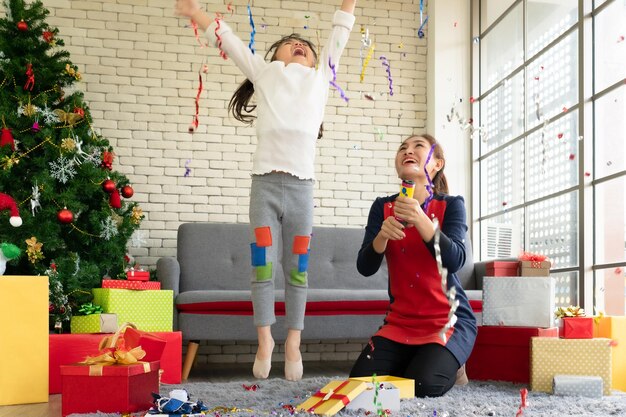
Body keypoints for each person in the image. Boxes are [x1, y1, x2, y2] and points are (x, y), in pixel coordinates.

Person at [174, 0, 357, 381]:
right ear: (275, 56)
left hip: (302, 190)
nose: (299, 45)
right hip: (265, 187)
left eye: (304, 44)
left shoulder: (321, 75)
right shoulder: (265, 71)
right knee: (262, 268)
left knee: (298, 271)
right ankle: (265, 341)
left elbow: (340, 32)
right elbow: (230, 41)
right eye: (290, 43)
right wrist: (196, 13)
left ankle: (292, 341)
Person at [349, 134, 477, 397]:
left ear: (437, 164)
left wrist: (422, 220)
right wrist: (382, 236)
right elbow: (365, 267)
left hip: (448, 322)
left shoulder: (451, 205)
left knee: (424, 385)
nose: (408, 150)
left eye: (418, 146)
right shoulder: (382, 207)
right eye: (403, 148)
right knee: (359, 386)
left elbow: (456, 261)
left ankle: (452, 364)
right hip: (400, 323)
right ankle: (421, 360)